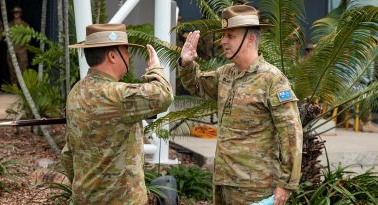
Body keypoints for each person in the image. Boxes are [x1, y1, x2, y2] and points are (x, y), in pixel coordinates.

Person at [178, 5, 303, 205]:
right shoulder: (226, 73)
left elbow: (291, 135)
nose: (223, 41)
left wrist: (285, 184)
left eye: (230, 36)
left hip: (255, 187)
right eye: (224, 36)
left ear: (250, 39)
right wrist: (187, 63)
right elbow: (198, 85)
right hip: (224, 182)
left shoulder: (272, 79)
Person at [61, 24, 173, 204]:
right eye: (126, 51)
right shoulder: (116, 94)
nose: (128, 57)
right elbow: (164, 96)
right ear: (113, 56)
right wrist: (155, 69)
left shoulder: (76, 91)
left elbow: (68, 153)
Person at [7, 6, 29, 86]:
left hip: (22, 50)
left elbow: (28, 37)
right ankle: (14, 85)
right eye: (15, 12)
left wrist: (24, 46)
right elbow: (6, 36)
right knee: (12, 68)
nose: (16, 14)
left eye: (18, 12)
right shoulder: (9, 25)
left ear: (20, 14)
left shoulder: (24, 25)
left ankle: (24, 86)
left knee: (23, 67)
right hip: (12, 49)